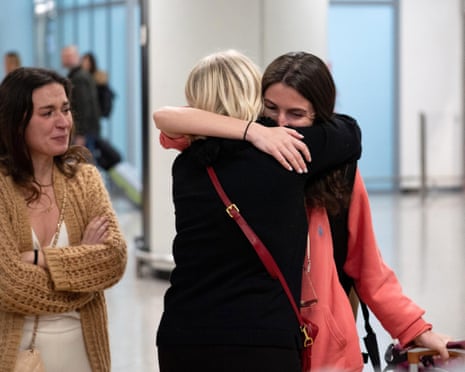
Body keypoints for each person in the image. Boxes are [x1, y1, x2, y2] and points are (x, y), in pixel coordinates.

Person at [154, 51, 450, 371]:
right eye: (270, 108)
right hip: (270, 340)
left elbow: (367, 266)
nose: (280, 124)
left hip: (322, 348)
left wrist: (414, 328)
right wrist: (254, 131)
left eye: (295, 114)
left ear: (318, 116)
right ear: (254, 104)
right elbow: (171, 122)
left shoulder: (339, 172)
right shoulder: (222, 153)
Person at [153, 49, 362, 372]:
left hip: (182, 335)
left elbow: (165, 117)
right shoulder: (290, 152)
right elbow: (351, 132)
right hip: (261, 338)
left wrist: (252, 130)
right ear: (254, 95)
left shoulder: (187, 165)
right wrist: (256, 131)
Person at [0, 67, 127, 371]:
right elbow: (9, 284)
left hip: (82, 355)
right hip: (16, 357)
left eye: (66, 109)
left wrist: (37, 258)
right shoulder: (2, 188)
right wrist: (82, 264)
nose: (63, 123)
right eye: (47, 113)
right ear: (17, 123)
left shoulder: (85, 179)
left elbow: (114, 259)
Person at [61, 45, 101, 156]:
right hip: (87, 131)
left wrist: (80, 134)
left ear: (75, 57)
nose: (63, 59)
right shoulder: (80, 75)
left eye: (67, 56)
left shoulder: (79, 78)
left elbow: (84, 107)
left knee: (84, 166)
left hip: (85, 133)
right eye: (63, 56)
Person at [81, 52, 115, 119]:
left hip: (94, 114)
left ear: (92, 63)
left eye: (87, 63)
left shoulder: (98, 79)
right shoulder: (80, 77)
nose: (85, 65)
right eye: (84, 62)